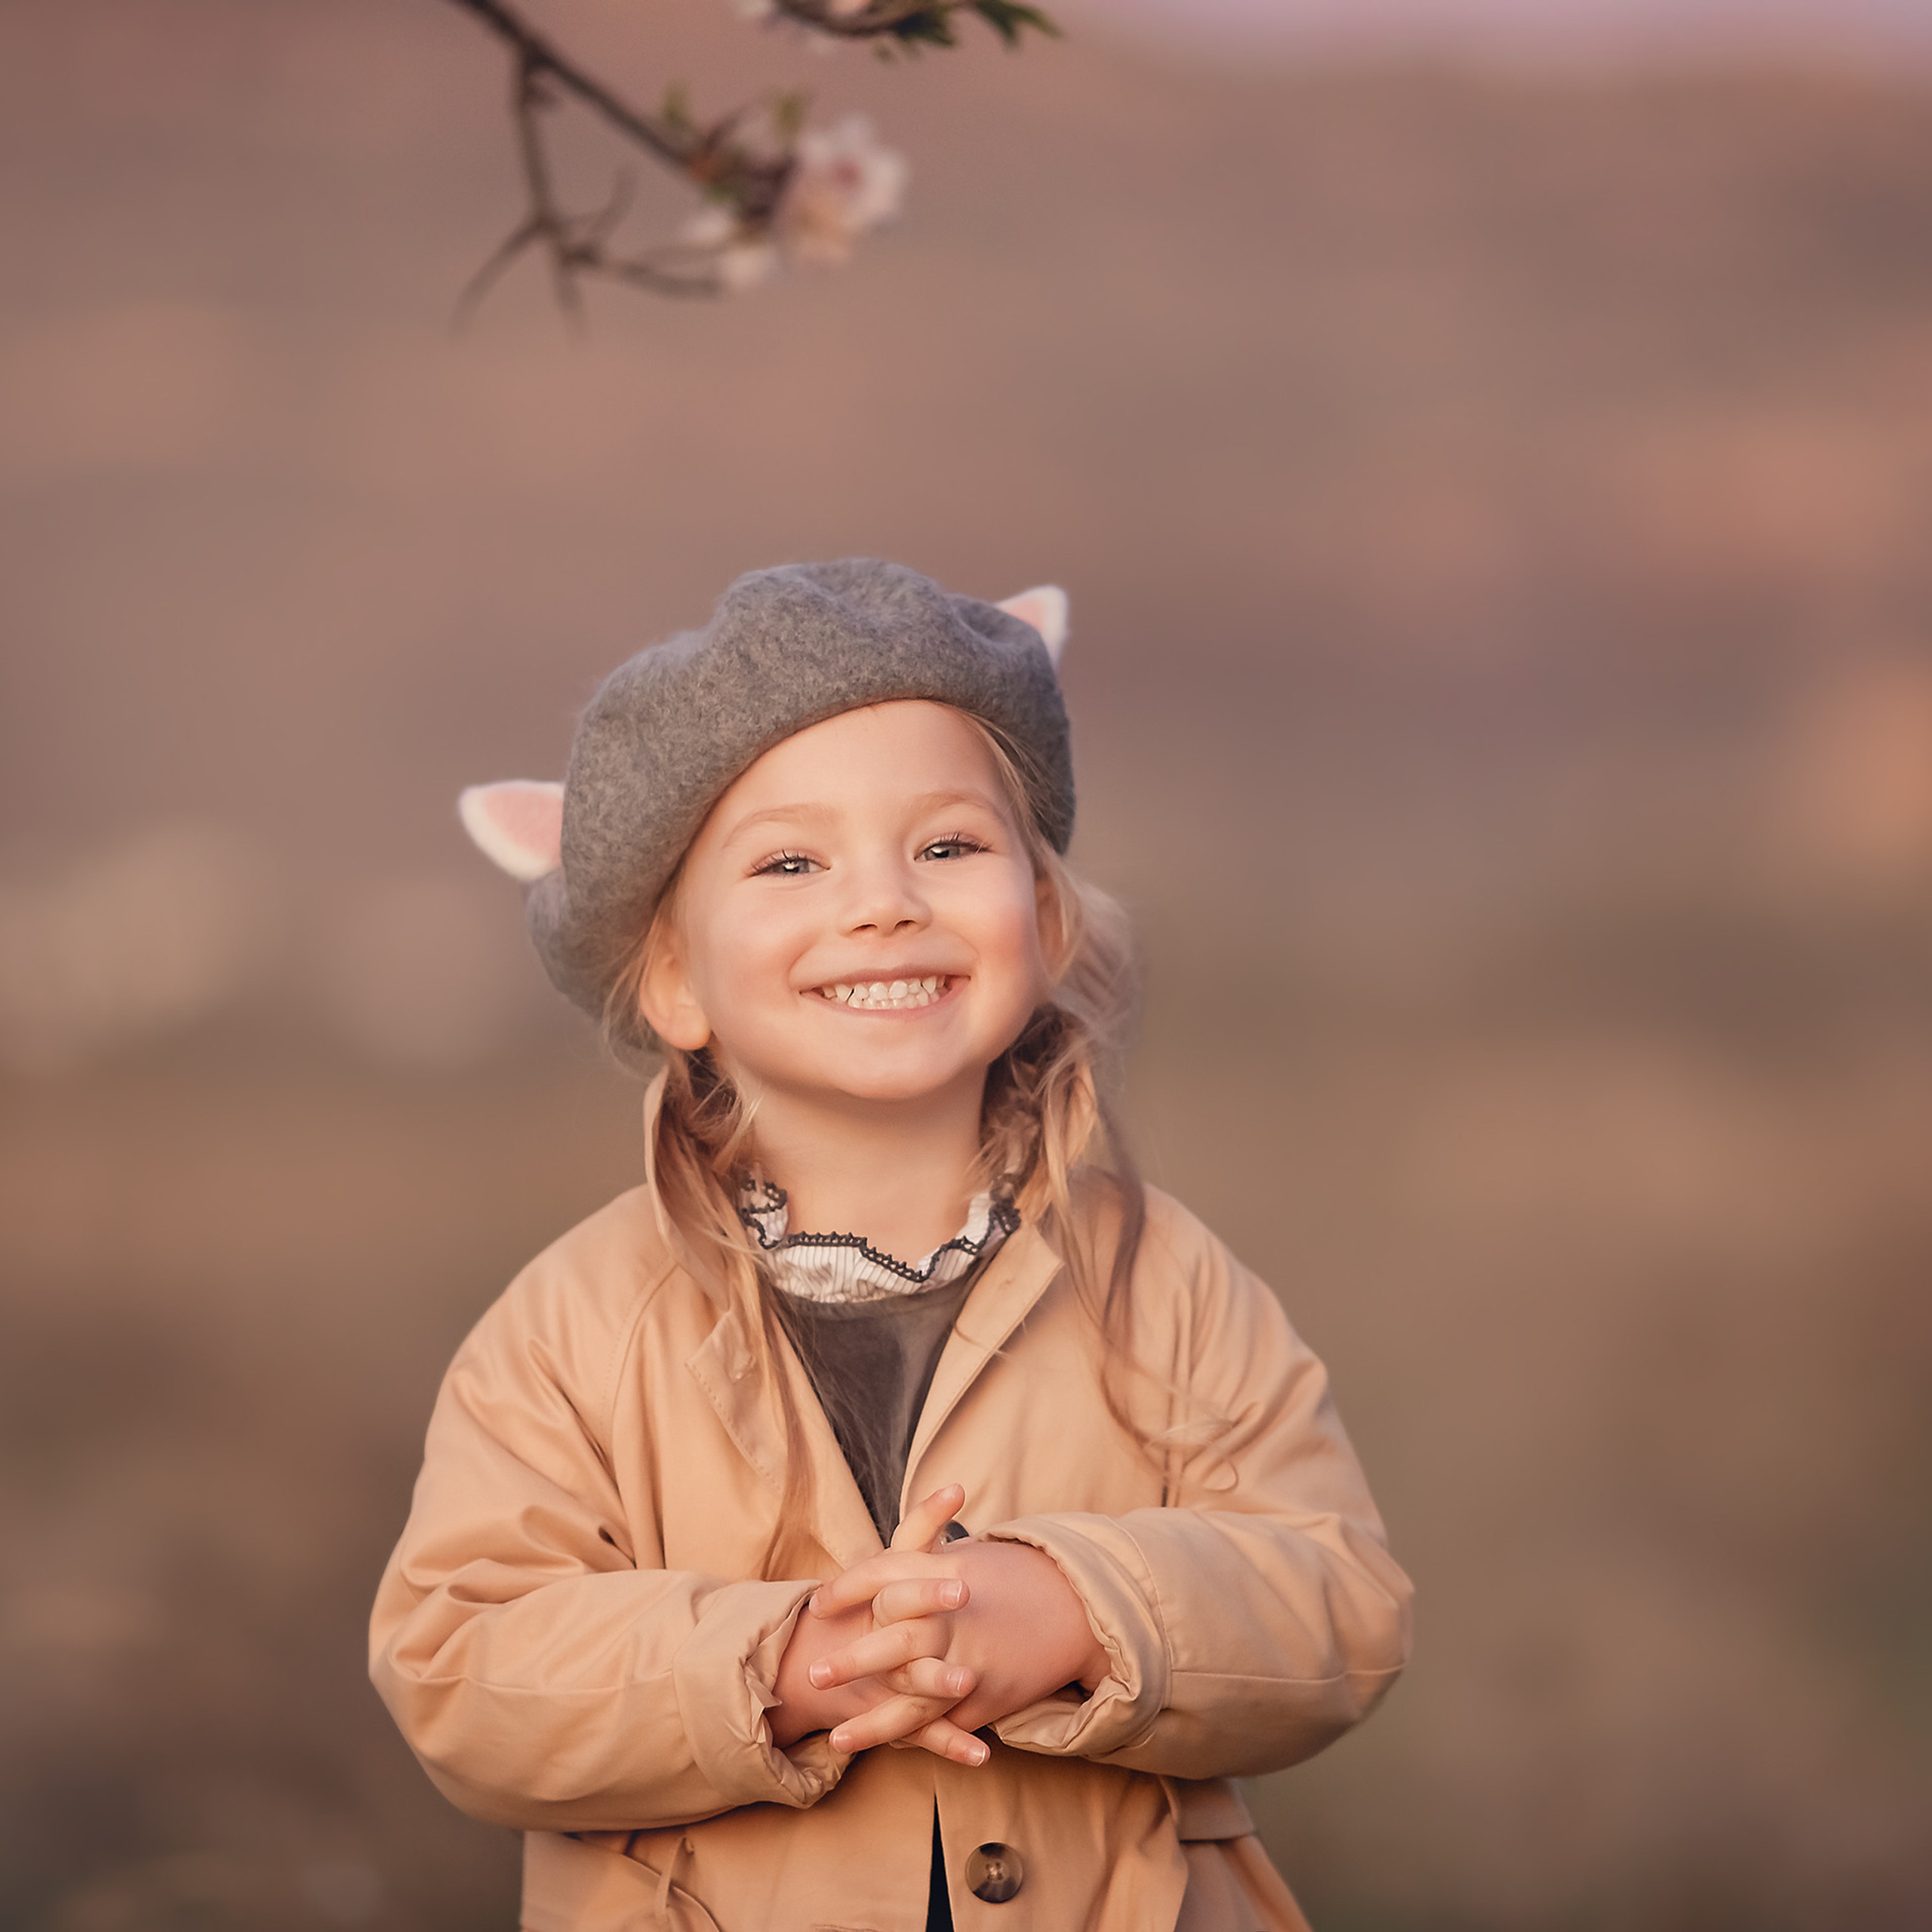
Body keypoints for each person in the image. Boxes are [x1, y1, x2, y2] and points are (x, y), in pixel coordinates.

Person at [369, 560, 1413, 1931]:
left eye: (948, 847)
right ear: (675, 976)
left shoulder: (1160, 1279)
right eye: (793, 862)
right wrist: (777, 1664)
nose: (884, 904)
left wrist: (1080, 1612)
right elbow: (459, 1664)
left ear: (1040, 922)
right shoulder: (574, 1323)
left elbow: (1337, 1597)